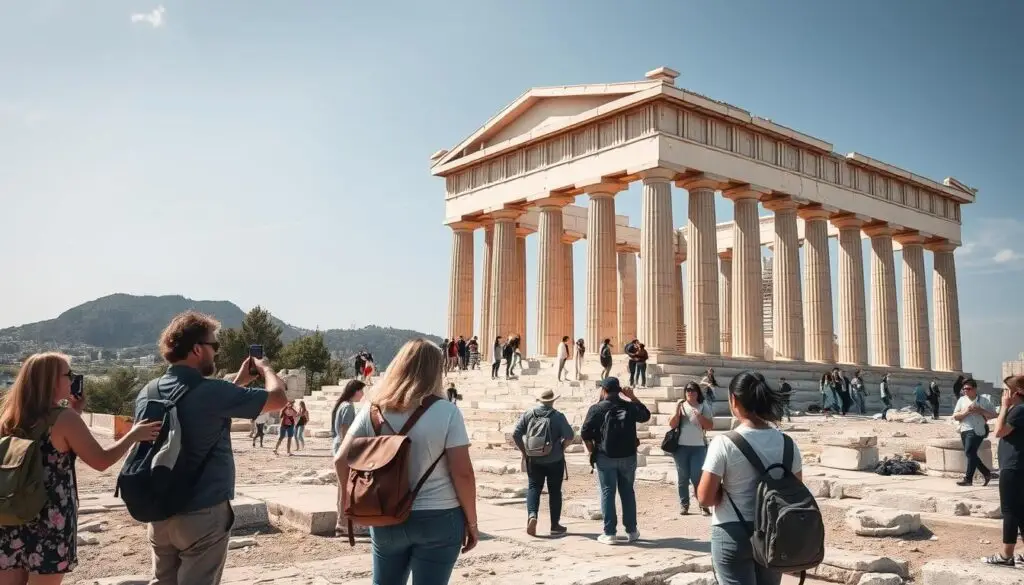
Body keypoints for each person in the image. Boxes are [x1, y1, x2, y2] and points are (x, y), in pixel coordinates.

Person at [139, 311, 288, 585]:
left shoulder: (149, 391)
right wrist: (265, 368)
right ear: (197, 349)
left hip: (159, 511)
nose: (216, 354)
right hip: (202, 512)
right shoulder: (213, 391)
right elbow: (278, 398)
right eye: (214, 346)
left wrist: (238, 384)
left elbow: (199, 413)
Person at [0, 353, 161, 583]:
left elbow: (44, 449)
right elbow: (101, 461)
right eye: (69, 374)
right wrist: (132, 436)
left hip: (11, 514)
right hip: (49, 519)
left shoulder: (10, 417)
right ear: (51, 380)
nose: (73, 380)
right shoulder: (64, 419)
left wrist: (75, 411)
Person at [336, 339, 479, 585]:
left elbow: (340, 460)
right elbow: (462, 473)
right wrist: (472, 522)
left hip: (385, 513)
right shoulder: (448, 412)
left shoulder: (372, 409)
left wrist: (352, 500)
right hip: (440, 516)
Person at [697, 371, 804, 585]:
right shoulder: (788, 443)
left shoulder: (724, 443)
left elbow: (705, 499)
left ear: (733, 400)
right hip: (774, 533)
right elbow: (795, 491)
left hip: (732, 531)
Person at [580, 377, 651, 544]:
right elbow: (645, 416)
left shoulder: (597, 409)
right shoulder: (629, 406)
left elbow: (585, 434)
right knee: (627, 492)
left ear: (603, 390)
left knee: (607, 493)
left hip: (605, 456)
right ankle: (632, 531)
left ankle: (610, 532)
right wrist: (632, 397)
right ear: (619, 390)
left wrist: (593, 452)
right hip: (628, 456)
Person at [512, 389, 575, 537]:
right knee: (555, 491)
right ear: (553, 401)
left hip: (533, 458)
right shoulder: (558, 416)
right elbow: (570, 435)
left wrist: (524, 451)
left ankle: (532, 516)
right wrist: (562, 447)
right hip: (555, 459)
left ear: (539, 400)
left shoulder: (528, 414)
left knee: (534, 487)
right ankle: (555, 525)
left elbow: (516, 434)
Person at [982, 375, 1024, 566]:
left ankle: (1006, 555)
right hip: (1018, 465)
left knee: (1009, 511)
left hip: (1013, 466)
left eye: (1006, 390)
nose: (1003, 393)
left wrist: (1005, 407)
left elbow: (998, 432)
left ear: (1016, 392)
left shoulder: (1018, 411)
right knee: (1021, 510)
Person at [669, 382, 713, 516]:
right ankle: (684, 505)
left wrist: (699, 417)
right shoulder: (681, 405)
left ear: (698, 392)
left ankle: (702, 504)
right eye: (688, 390)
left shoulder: (703, 406)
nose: (690, 392)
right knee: (683, 478)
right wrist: (677, 410)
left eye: (693, 390)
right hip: (681, 447)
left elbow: (710, 426)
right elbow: (672, 424)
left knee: (697, 477)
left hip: (698, 446)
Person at [331, 379, 366, 538]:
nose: (363, 394)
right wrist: (349, 450)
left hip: (338, 447)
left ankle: (343, 524)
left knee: (343, 488)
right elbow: (346, 429)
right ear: (355, 391)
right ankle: (344, 524)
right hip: (344, 450)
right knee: (347, 488)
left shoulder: (341, 405)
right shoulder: (348, 407)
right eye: (361, 391)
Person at [953, 379, 996, 487]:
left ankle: (969, 478)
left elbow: (994, 414)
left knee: (969, 452)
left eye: (968, 389)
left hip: (978, 430)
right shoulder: (961, 400)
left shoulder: (984, 400)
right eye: (964, 389)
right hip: (964, 429)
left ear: (975, 389)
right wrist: (966, 412)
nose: (965, 391)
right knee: (970, 453)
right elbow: (956, 416)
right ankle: (986, 474)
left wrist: (980, 410)